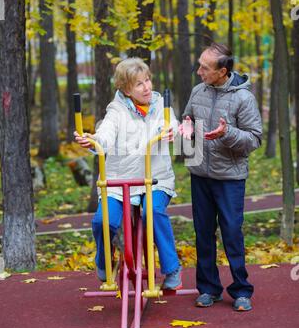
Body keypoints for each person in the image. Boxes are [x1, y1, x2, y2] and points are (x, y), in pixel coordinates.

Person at [74, 57, 182, 290]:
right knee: (103, 221)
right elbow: (105, 134)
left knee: (152, 212)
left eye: (148, 80)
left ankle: (172, 268)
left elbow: (171, 124)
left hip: (155, 177)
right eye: (139, 84)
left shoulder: (160, 105)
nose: (147, 87)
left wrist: (172, 132)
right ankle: (103, 261)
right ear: (125, 89)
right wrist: (93, 141)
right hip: (119, 179)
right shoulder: (116, 110)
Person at [179, 43, 262, 311]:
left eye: (205, 67)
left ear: (222, 71)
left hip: (230, 178)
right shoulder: (197, 90)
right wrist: (186, 126)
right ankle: (208, 288)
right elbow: (188, 118)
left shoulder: (243, 98)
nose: (199, 71)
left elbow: (254, 139)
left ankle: (241, 290)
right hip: (200, 174)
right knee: (203, 233)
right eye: (199, 64)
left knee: (231, 233)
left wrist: (226, 134)